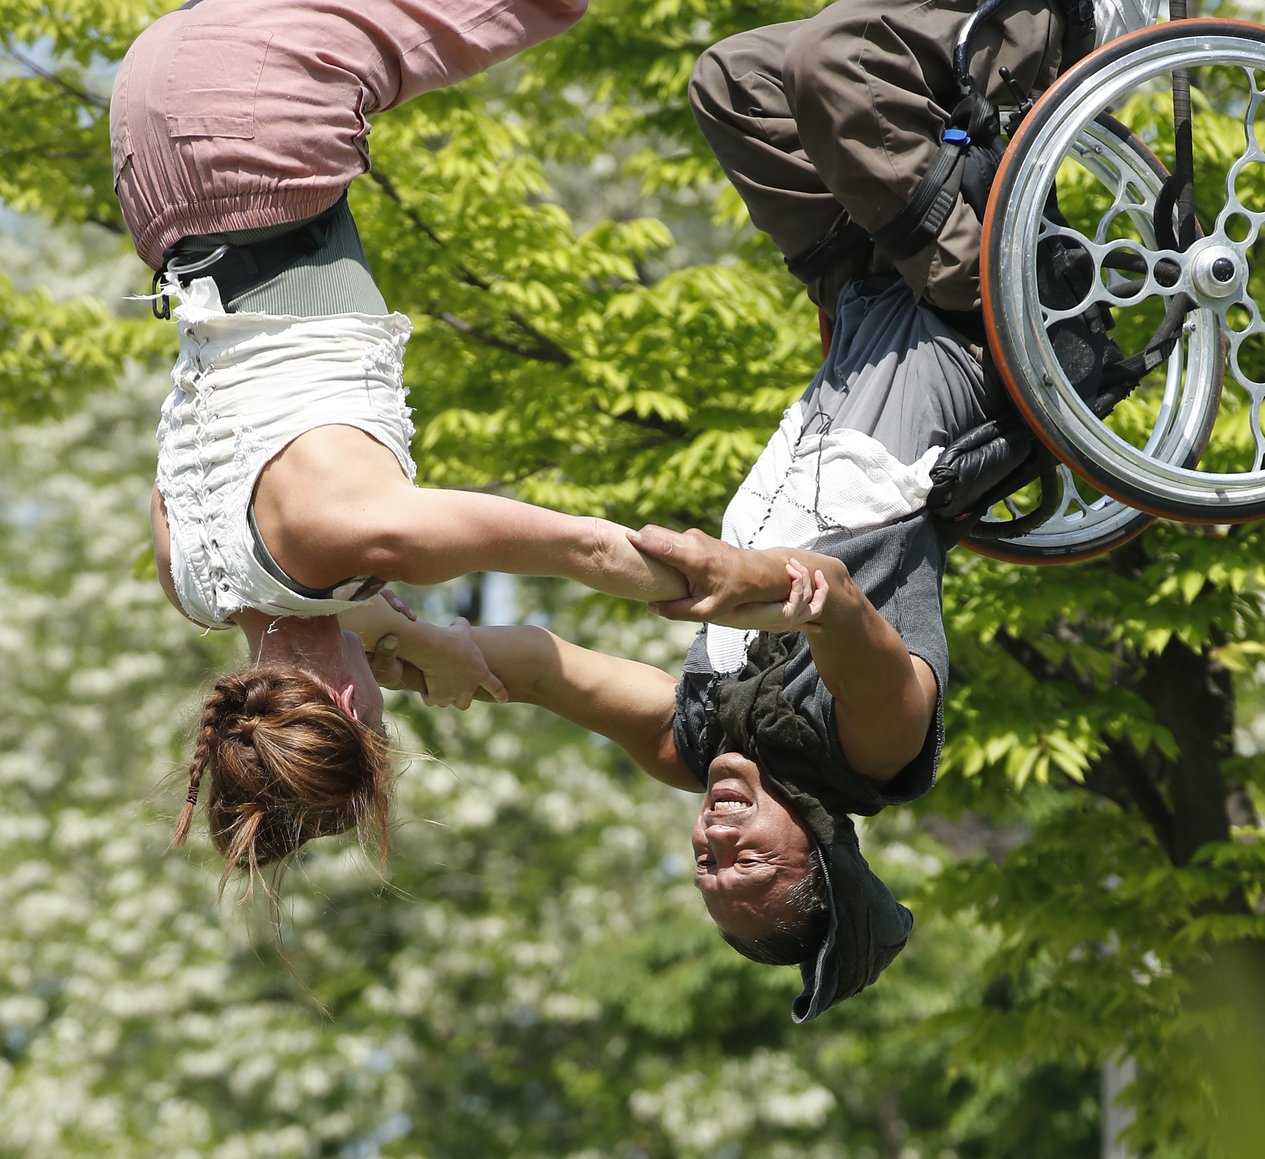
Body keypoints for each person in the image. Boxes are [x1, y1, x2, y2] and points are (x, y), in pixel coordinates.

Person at [365, 0, 1079, 1018]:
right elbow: (839, 608)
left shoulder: (686, 742)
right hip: (972, 319)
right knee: (839, 62)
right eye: (751, 870)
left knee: (735, 82)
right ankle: (1066, 25)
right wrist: (754, 585)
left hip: (864, 301)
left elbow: (534, 666)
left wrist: (387, 647)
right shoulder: (873, 753)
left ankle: (1005, 59)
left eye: (709, 876)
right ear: (820, 849)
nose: (716, 848)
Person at [110, 0, 687, 879]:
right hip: (156, 148)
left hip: (253, 125)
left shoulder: (364, 538)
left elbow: (592, 549)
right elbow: (300, 597)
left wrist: (713, 589)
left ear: (349, 699)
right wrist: (436, 642)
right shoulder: (191, 583)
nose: (390, 696)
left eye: (378, 713)